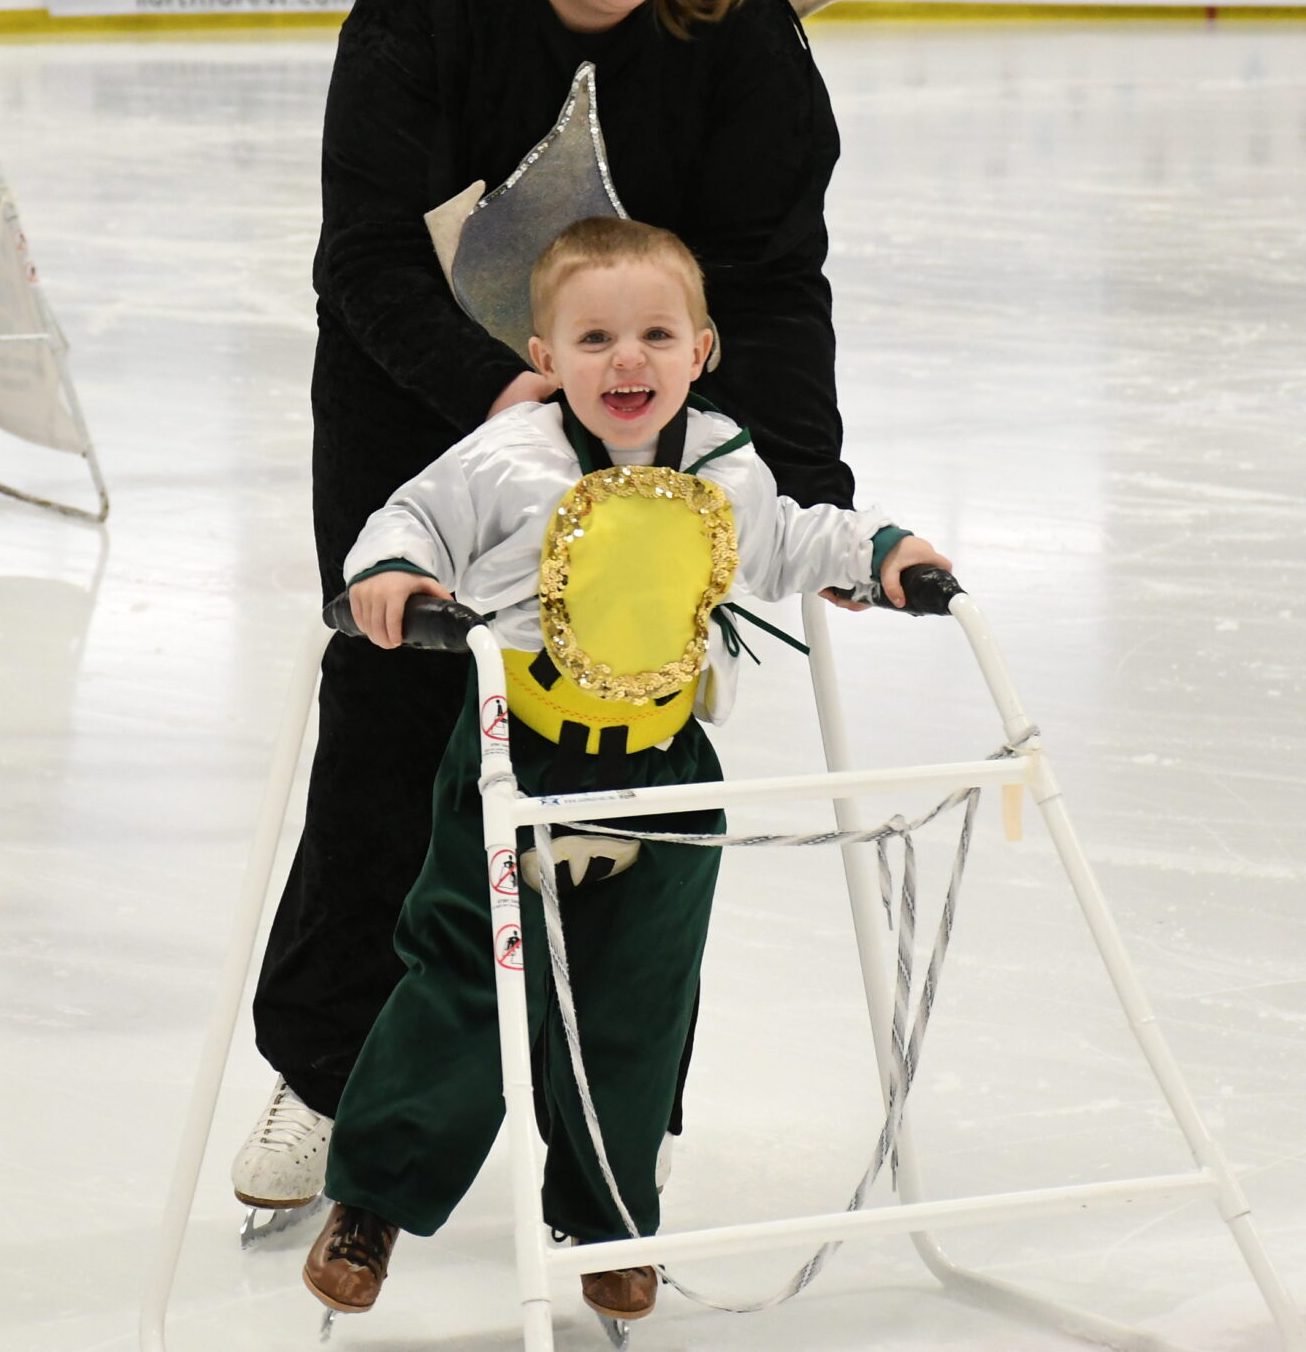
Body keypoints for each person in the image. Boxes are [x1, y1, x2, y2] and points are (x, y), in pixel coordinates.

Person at [239, 0, 853, 1215]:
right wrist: (502, 401)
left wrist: (798, 482)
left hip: (647, 429)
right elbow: (365, 256)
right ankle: (330, 1069)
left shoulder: (739, 29)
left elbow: (775, 278)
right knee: (397, 720)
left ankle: (614, 1110)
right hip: (417, 403)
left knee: (631, 740)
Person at [298, 218, 950, 1324]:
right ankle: (374, 1203)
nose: (626, 360)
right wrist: (397, 570)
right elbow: (411, 519)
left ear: (701, 349)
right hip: (518, 759)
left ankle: (611, 1220)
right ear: (545, 358)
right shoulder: (507, 458)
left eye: (655, 334)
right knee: (465, 982)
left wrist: (877, 552)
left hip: (665, 768)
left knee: (638, 1001)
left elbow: (788, 539)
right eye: (593, 338)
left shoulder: (724, 461)